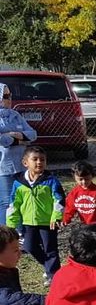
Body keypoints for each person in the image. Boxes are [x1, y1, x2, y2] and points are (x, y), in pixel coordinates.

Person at [8, 146, 64, 284]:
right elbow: (14, 204)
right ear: (25, 162)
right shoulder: (18, 183)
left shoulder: (51, 181)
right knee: (29, 247)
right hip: (28, 222)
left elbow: (60, 200)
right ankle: (49, 267)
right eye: (35, 159)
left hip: (47, 222)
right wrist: (11, 224)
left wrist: (56, 217)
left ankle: (53, 275)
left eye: (42, 160)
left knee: (50, 249)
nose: (39, 162)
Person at [0, 83, 36, 227]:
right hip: (3, 167)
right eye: (5, 96)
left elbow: (32, 134)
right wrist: (20, 140)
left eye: (10, 96)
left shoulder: (15, 115)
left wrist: (18, 135)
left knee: (21, 198)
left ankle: (21, 231)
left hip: (21, 165)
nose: (9, 99)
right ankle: (6, 234)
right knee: (7, 201)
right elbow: (3, 141)